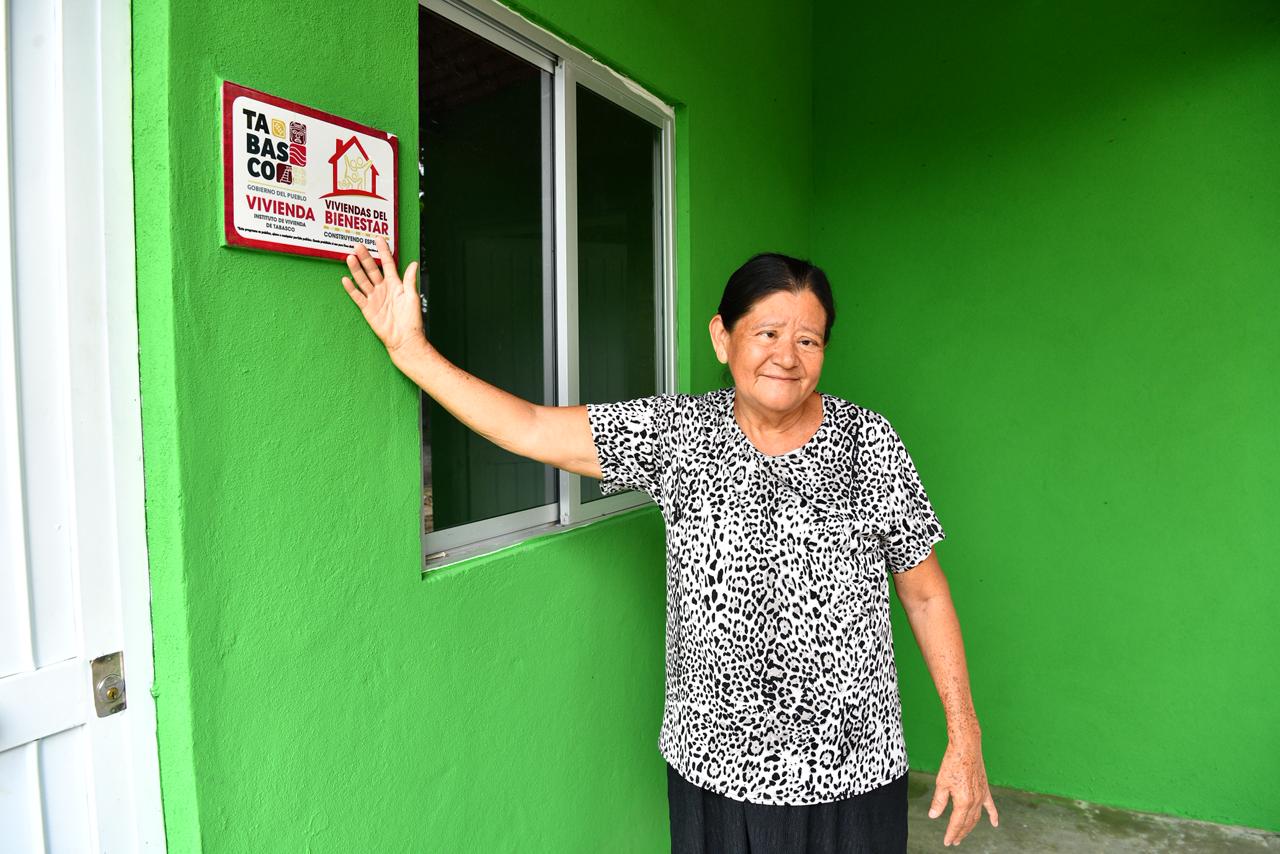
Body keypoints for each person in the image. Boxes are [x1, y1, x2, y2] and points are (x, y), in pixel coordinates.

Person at [340, 235, 999, 852]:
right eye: (767, 333)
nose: (787, 356)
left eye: (809, 339)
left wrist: (963, 737)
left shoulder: (870, 442)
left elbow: (925, 593)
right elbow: (534, 428)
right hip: (715, 773)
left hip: (855, 775)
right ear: (723, 336)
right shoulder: (678, 435)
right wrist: (412, 353)